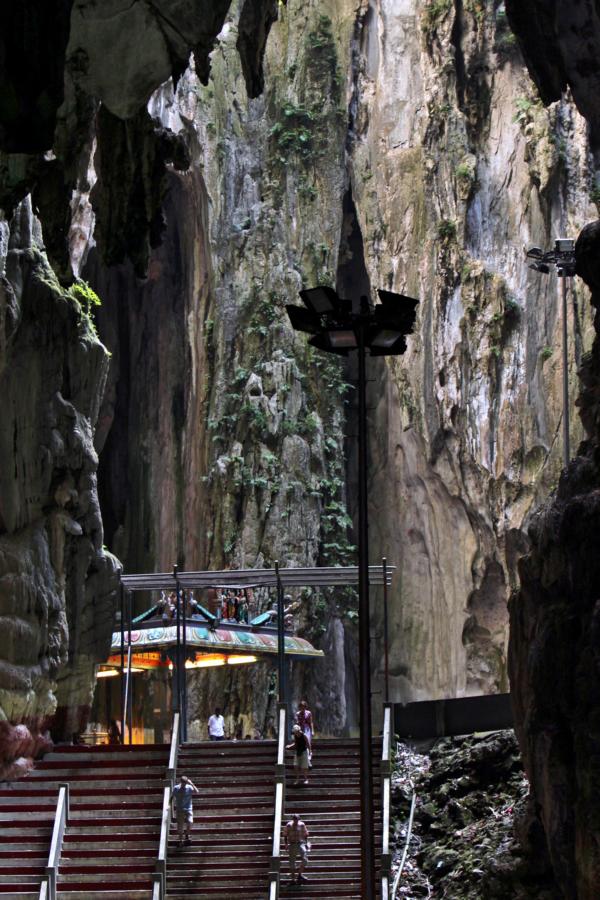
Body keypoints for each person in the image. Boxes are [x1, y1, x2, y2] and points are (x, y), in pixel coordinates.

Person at [172, 775, 199, 847]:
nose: (183, 785)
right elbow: (172, 797)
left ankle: (187, 834)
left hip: (188, 808)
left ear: (187, 782)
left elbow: (197, 792)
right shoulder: (176, 788)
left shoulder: (189, 787)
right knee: (180, 825)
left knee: (190, 822)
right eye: (182, 783)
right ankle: (180, 840)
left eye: (185, 783)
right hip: (180, 809)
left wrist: (192, 783)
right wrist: (169, 805)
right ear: (181, 782)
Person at [284, 813, 310, 885]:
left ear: (299, 820)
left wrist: (306, 843)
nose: (295, 821)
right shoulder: (289, 825)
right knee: (292, 862)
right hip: (292, 844)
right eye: (294, 820)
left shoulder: (302, 825)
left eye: (297, 820)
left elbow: (305, 834)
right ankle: (293, 879)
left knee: (305, 859)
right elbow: (285, 835)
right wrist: (286, 844)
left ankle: (299, 875)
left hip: (300, 843)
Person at [295, 700, 314, 765]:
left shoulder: (308, 713)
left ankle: (310, 752)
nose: (302, 708)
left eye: (304, 707)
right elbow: (297, 721)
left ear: (305, 707)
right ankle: (305, 755)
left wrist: (312, 731)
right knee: (303, 741)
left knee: (307, 739)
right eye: (301, 707)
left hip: (307, 728)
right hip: (301, 728)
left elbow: (311, 722)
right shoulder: (298, 713)